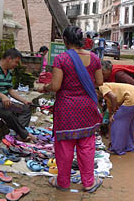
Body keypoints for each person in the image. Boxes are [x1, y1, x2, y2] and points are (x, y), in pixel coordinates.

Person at [36, 25, 104, 193]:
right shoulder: (94, 58)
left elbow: (56, 86)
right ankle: (88, 182)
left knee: (64, 146)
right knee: (87, 145)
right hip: (87, 106)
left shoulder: (61, 59)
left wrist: (43, 88)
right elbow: (100, 83)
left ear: (65, 40)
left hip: (67, 107)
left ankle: (63, 182)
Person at [0, 48, 36, 143]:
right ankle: (23, 134)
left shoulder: (8, 72)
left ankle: (19, 133)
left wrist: (23, 100)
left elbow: (10, 90)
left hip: (1, 101)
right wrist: (2, 96)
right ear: (9, 59)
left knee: (25, 110)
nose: (16, 65)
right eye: (16, 62)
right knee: (8, 113)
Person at [101, 61, 134, 137]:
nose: (102, 76)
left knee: (133, 108)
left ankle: (133, 133)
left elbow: (133, 84)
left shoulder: (118, 74)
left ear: (108, 70)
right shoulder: (107, 79)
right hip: (130, 87)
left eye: (103, 73)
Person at [98, 83, 134, 155]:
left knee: (117, 121)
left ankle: (117, 148)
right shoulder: (107, 94)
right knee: (127, 123)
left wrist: (114, 112)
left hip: (133, 100)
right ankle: (128, 146)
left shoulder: (102, 87)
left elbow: (113, 97)